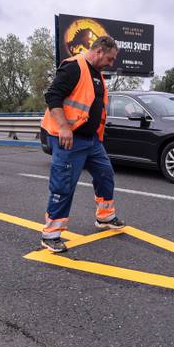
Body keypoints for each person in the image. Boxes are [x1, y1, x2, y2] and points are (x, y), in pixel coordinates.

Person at [40, 36, 125, 253]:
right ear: (98, 51)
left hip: (91, 140)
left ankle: (104, 217)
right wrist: (64, 127)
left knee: (105, 174)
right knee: (64, 184)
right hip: (70, 138)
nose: (111, 63)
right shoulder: (73, 67)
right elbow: (52, 97)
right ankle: (51, 234)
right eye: (110, 58)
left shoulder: (97, 73)